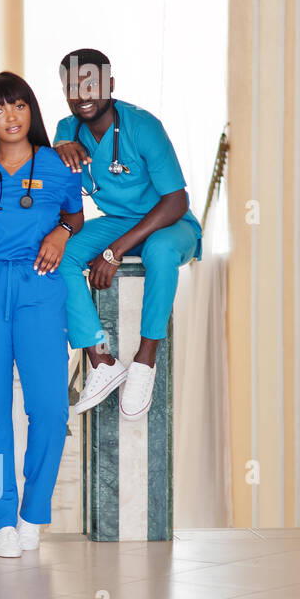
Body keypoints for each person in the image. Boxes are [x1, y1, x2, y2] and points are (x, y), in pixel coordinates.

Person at [0, 72, 84, 557]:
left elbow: (74, 215)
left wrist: (62, 234)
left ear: (32, 109)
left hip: (39, 287)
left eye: (19, 105)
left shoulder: (58, 164)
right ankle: (1, 518)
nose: (10, 116)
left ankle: (33, 511)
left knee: (49, 407)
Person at [50, 49, 201, 418]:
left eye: (92, 84)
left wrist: (114, 251)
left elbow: (176, 200)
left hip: (168, 221)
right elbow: (48, 180)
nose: (83, 94)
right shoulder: (66, 130)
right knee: (59, 256)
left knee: (161, 251)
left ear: (110, 85)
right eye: (73, 87)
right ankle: (101, 361)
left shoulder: (141, 125)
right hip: (119, 220)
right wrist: (55, 151)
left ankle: (144, 361)